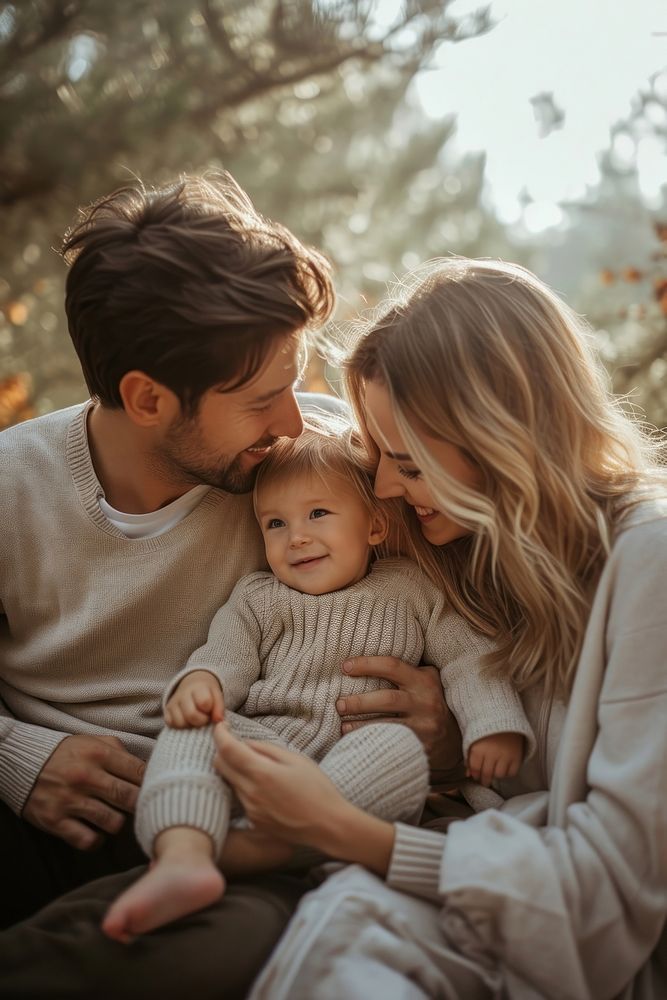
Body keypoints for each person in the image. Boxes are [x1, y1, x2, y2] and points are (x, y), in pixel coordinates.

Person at [209, 258, 667, 999]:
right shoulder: (476, 551)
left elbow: (613, 889)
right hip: (455, 881)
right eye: (380, 459)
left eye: (407, 464)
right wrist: (453, 748)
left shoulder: (649, 566)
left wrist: (340, 829)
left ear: (500, 438)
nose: (385, 489)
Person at [102, 417, 533, 941]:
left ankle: (253, 852)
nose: (297, 537)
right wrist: (203, 684)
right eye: (275, 524)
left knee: (397, 746)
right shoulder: (258, 597)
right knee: (197, 725)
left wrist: (493, 725)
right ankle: (183, 854)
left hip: (351, 774)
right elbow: (225, 655)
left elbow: (470, 660)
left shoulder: (411, 590)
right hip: (267, 753)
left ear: (374, 526)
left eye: (319, 514)